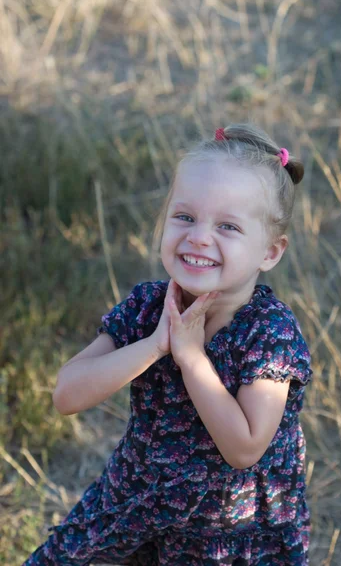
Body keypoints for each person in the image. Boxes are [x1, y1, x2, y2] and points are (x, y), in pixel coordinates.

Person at [23, 123, 313, 566]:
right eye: (184, 217)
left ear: (270, 252)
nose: (198, 236)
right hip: (133, 503)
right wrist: (157, 345)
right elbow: (67, 394)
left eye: (228, 226)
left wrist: (191, 356)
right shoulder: (148, 307)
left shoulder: (270, 333)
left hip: (229, 533)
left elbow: (245, 447)